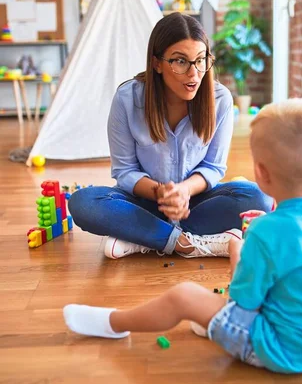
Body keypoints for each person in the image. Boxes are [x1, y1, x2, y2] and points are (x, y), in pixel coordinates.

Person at [64, 98, 302, 375]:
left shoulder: (265, 232)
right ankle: (211, 319)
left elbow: (243, 301)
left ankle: (114, 323)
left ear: (261, 172)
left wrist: (237, 255)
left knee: (183, 297)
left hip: (282, 351)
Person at [68, 13, 273, 260]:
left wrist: (184, 191)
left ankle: (142, 238)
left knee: (258, 196)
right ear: (156, 63)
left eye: (200, 60)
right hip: (143, 202)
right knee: (84, 203)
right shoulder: (127, 98)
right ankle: (185, 243)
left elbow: (213, 167)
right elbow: (125, 171)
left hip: (196, 203)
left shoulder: (221, 100)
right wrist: (161, 194)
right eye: (180, 61)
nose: (194, 74)